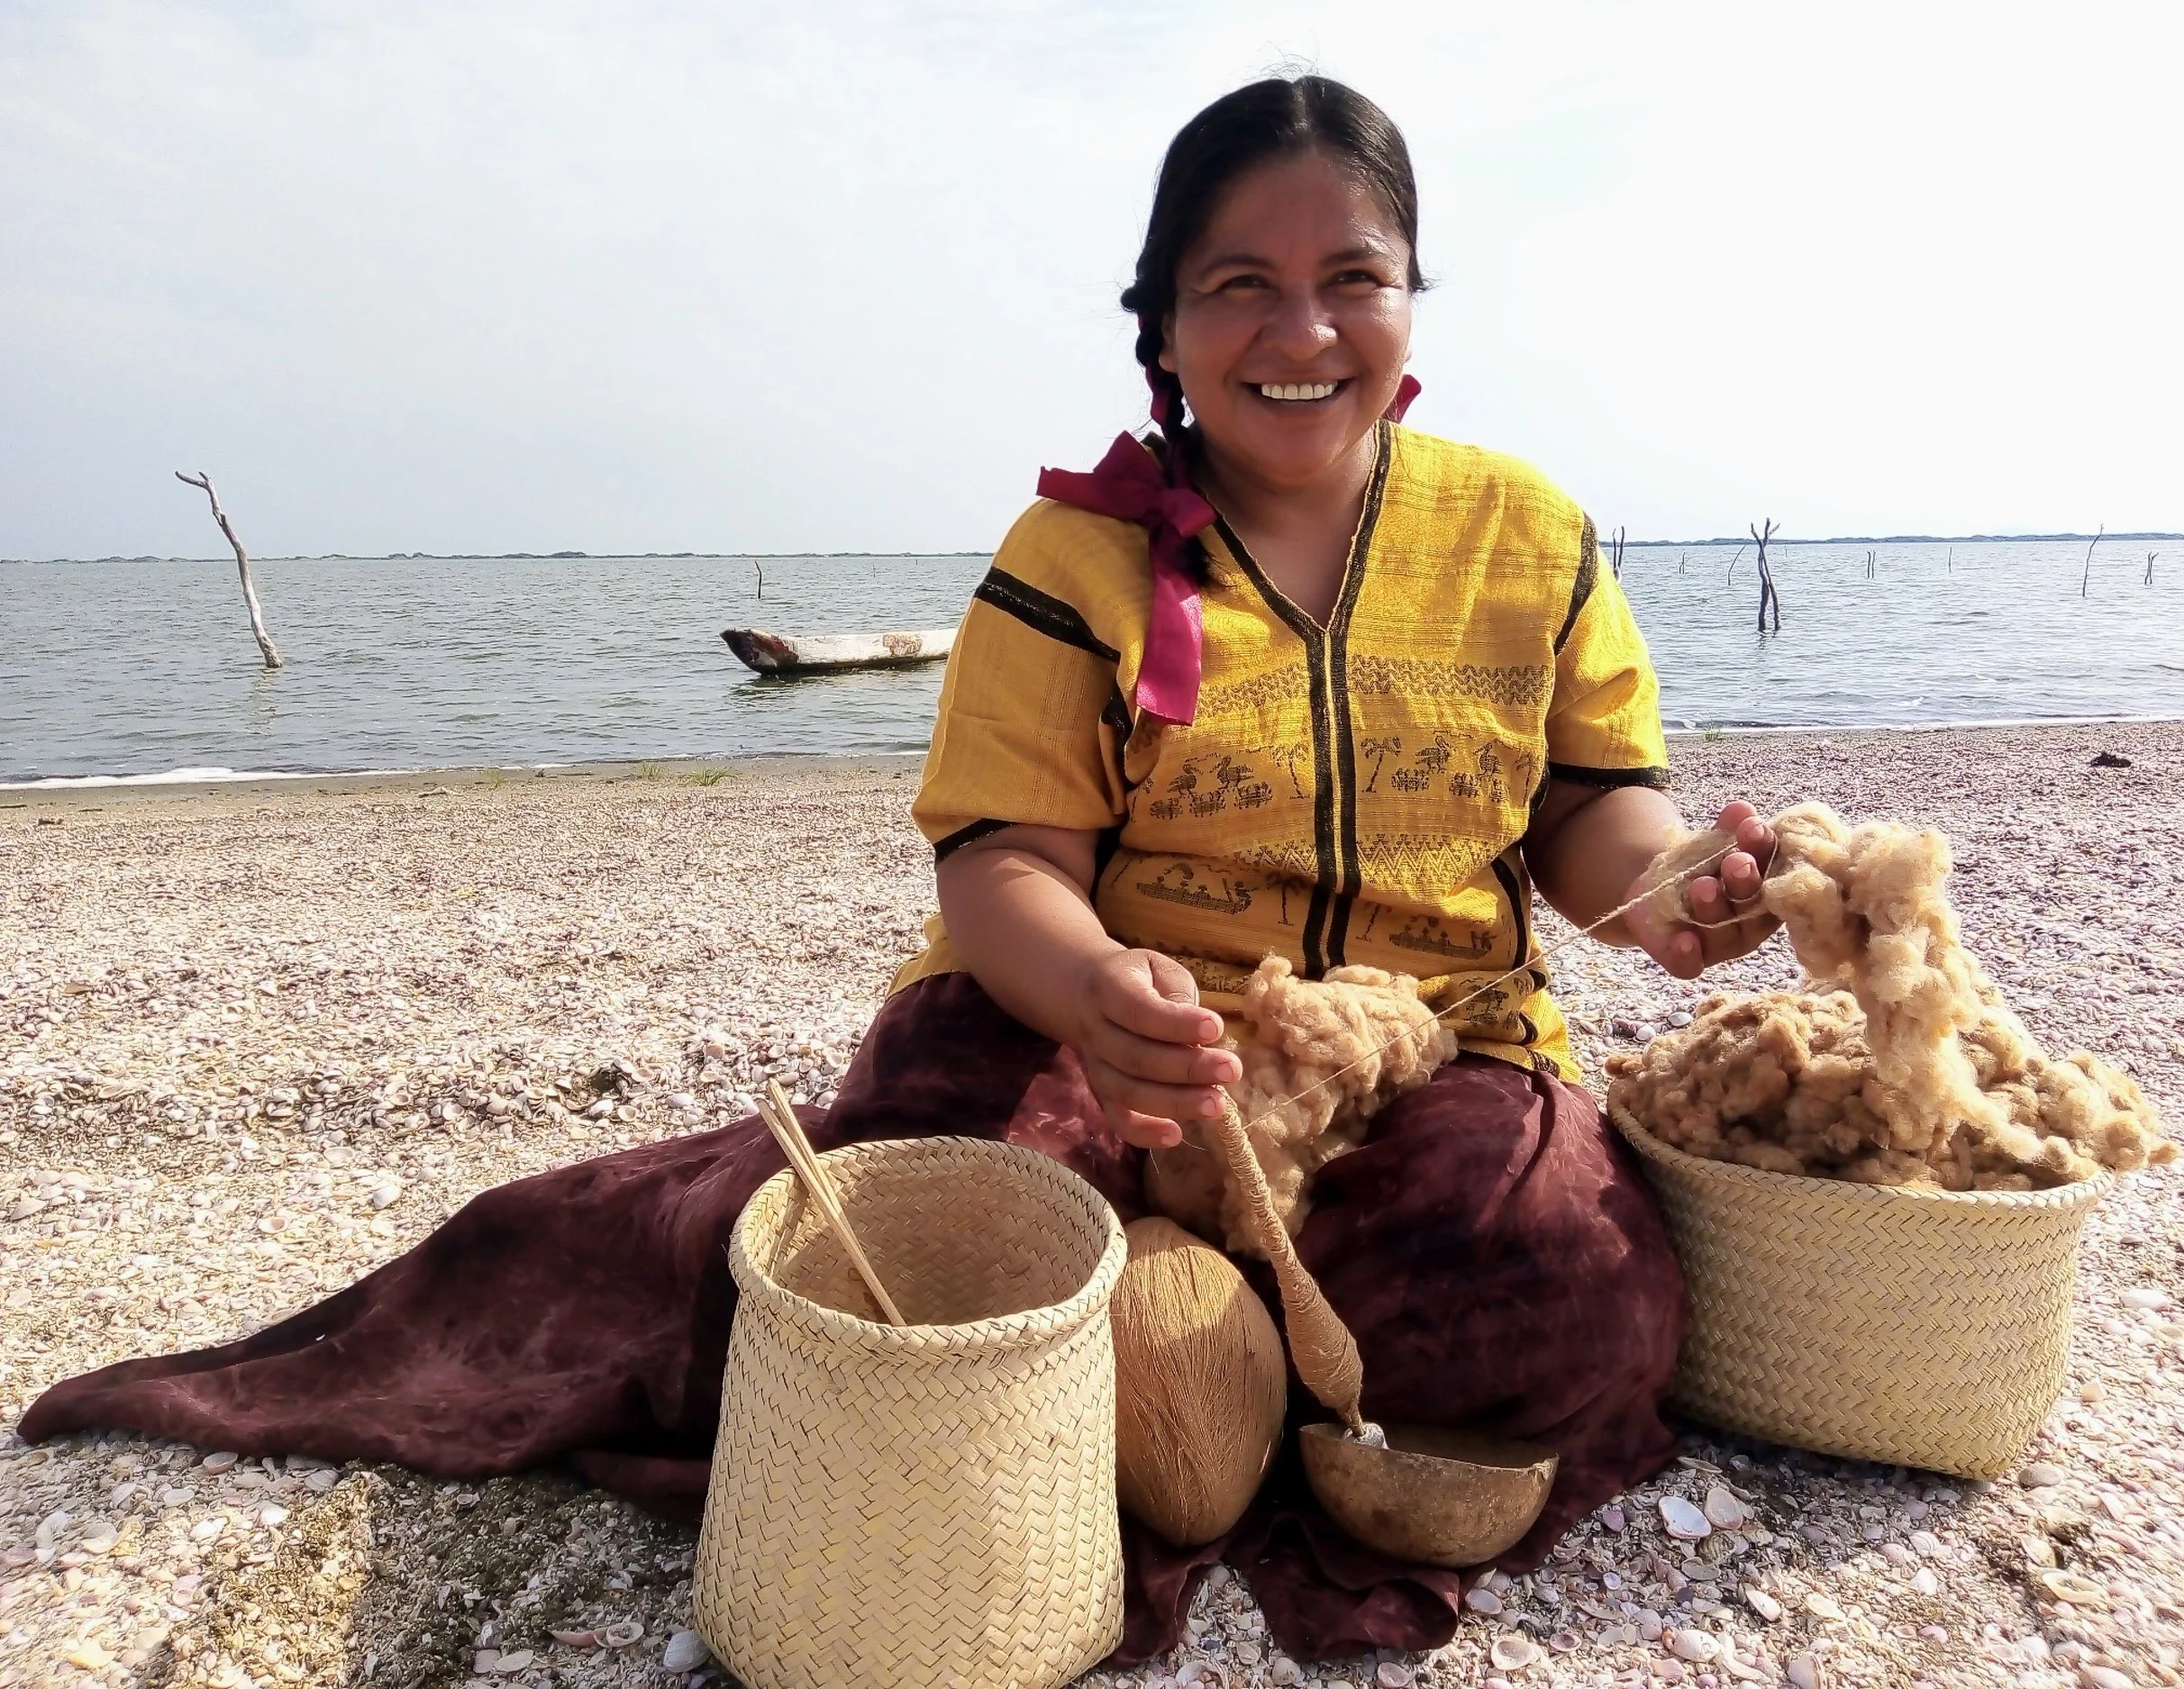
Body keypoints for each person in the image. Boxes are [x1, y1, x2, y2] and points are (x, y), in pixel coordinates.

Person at [22, 76, 1779, 1665]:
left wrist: (1678, 884)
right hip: (1097, 1034)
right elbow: (1005, 864)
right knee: (929, 1230)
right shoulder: (1073, 554)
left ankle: (1194, 1348)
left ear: (1409, 309)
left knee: (1578, 1285)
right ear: (1163, 328)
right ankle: (1176, 1347)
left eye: (1353, 275)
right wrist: (1097, 992)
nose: (1297, 325)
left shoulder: (1524, 536)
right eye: (1234, 280)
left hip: (1420, 1047)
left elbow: (1586, 820)